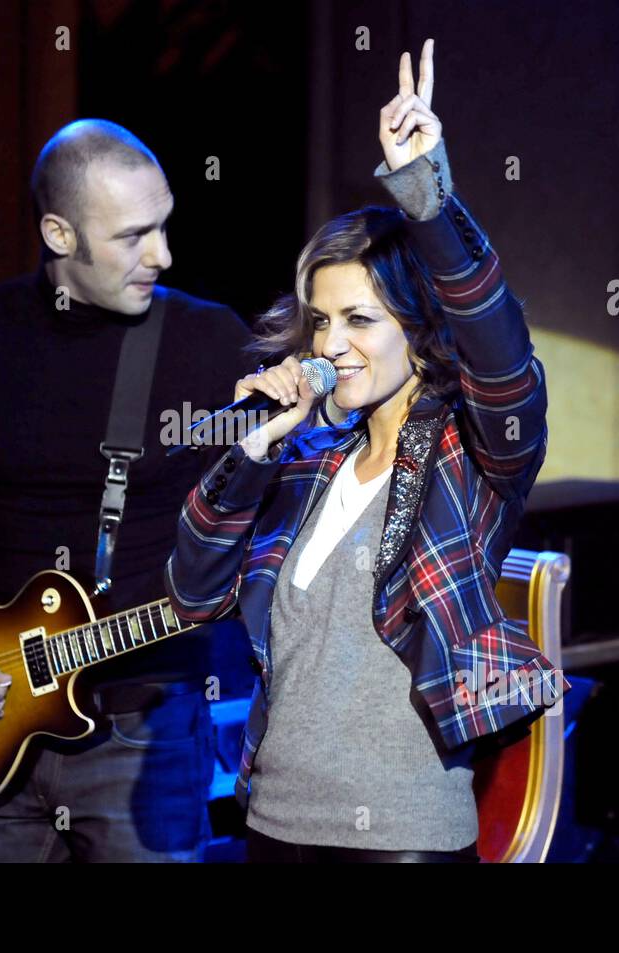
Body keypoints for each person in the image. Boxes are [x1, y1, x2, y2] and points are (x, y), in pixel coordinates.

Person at [165, 38, 569, 863]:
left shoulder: (468, 459)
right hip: (273, 829)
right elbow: (192, 592)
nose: (333, 342)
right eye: (321, 319)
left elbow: (501, 355)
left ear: (419, 333)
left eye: (360, 319)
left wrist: (428, 197)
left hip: (402, 838)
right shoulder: (310, 461)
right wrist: (253, 451)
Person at [0, 120, 253, 861]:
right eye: (133, 236)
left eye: (166, 225)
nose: (163, 255)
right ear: (59, 233)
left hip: (147, 727)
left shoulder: (210, 343)